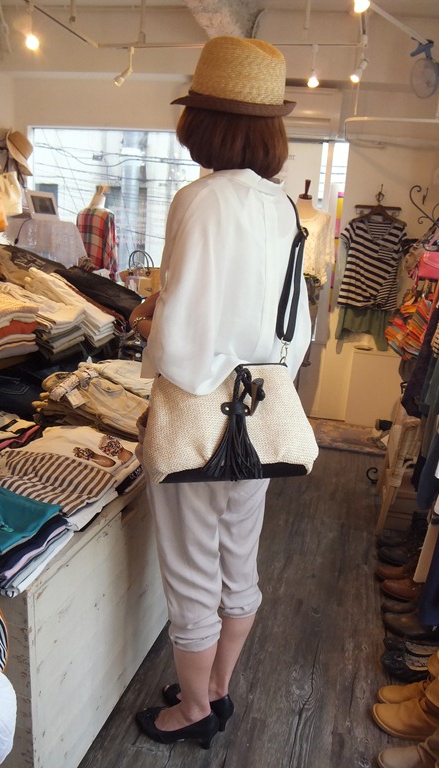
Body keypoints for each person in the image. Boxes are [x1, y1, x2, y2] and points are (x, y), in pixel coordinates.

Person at [129, 36, 311, 749]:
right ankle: (217, 689)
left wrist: (150, 319)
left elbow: (182, 338)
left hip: (197, 412)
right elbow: (290, 325)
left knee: (189, 573)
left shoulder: (198, 199)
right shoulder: (283, 207)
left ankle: (193, 710)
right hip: (260, 414)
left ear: (204, 120)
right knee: (239, 560)